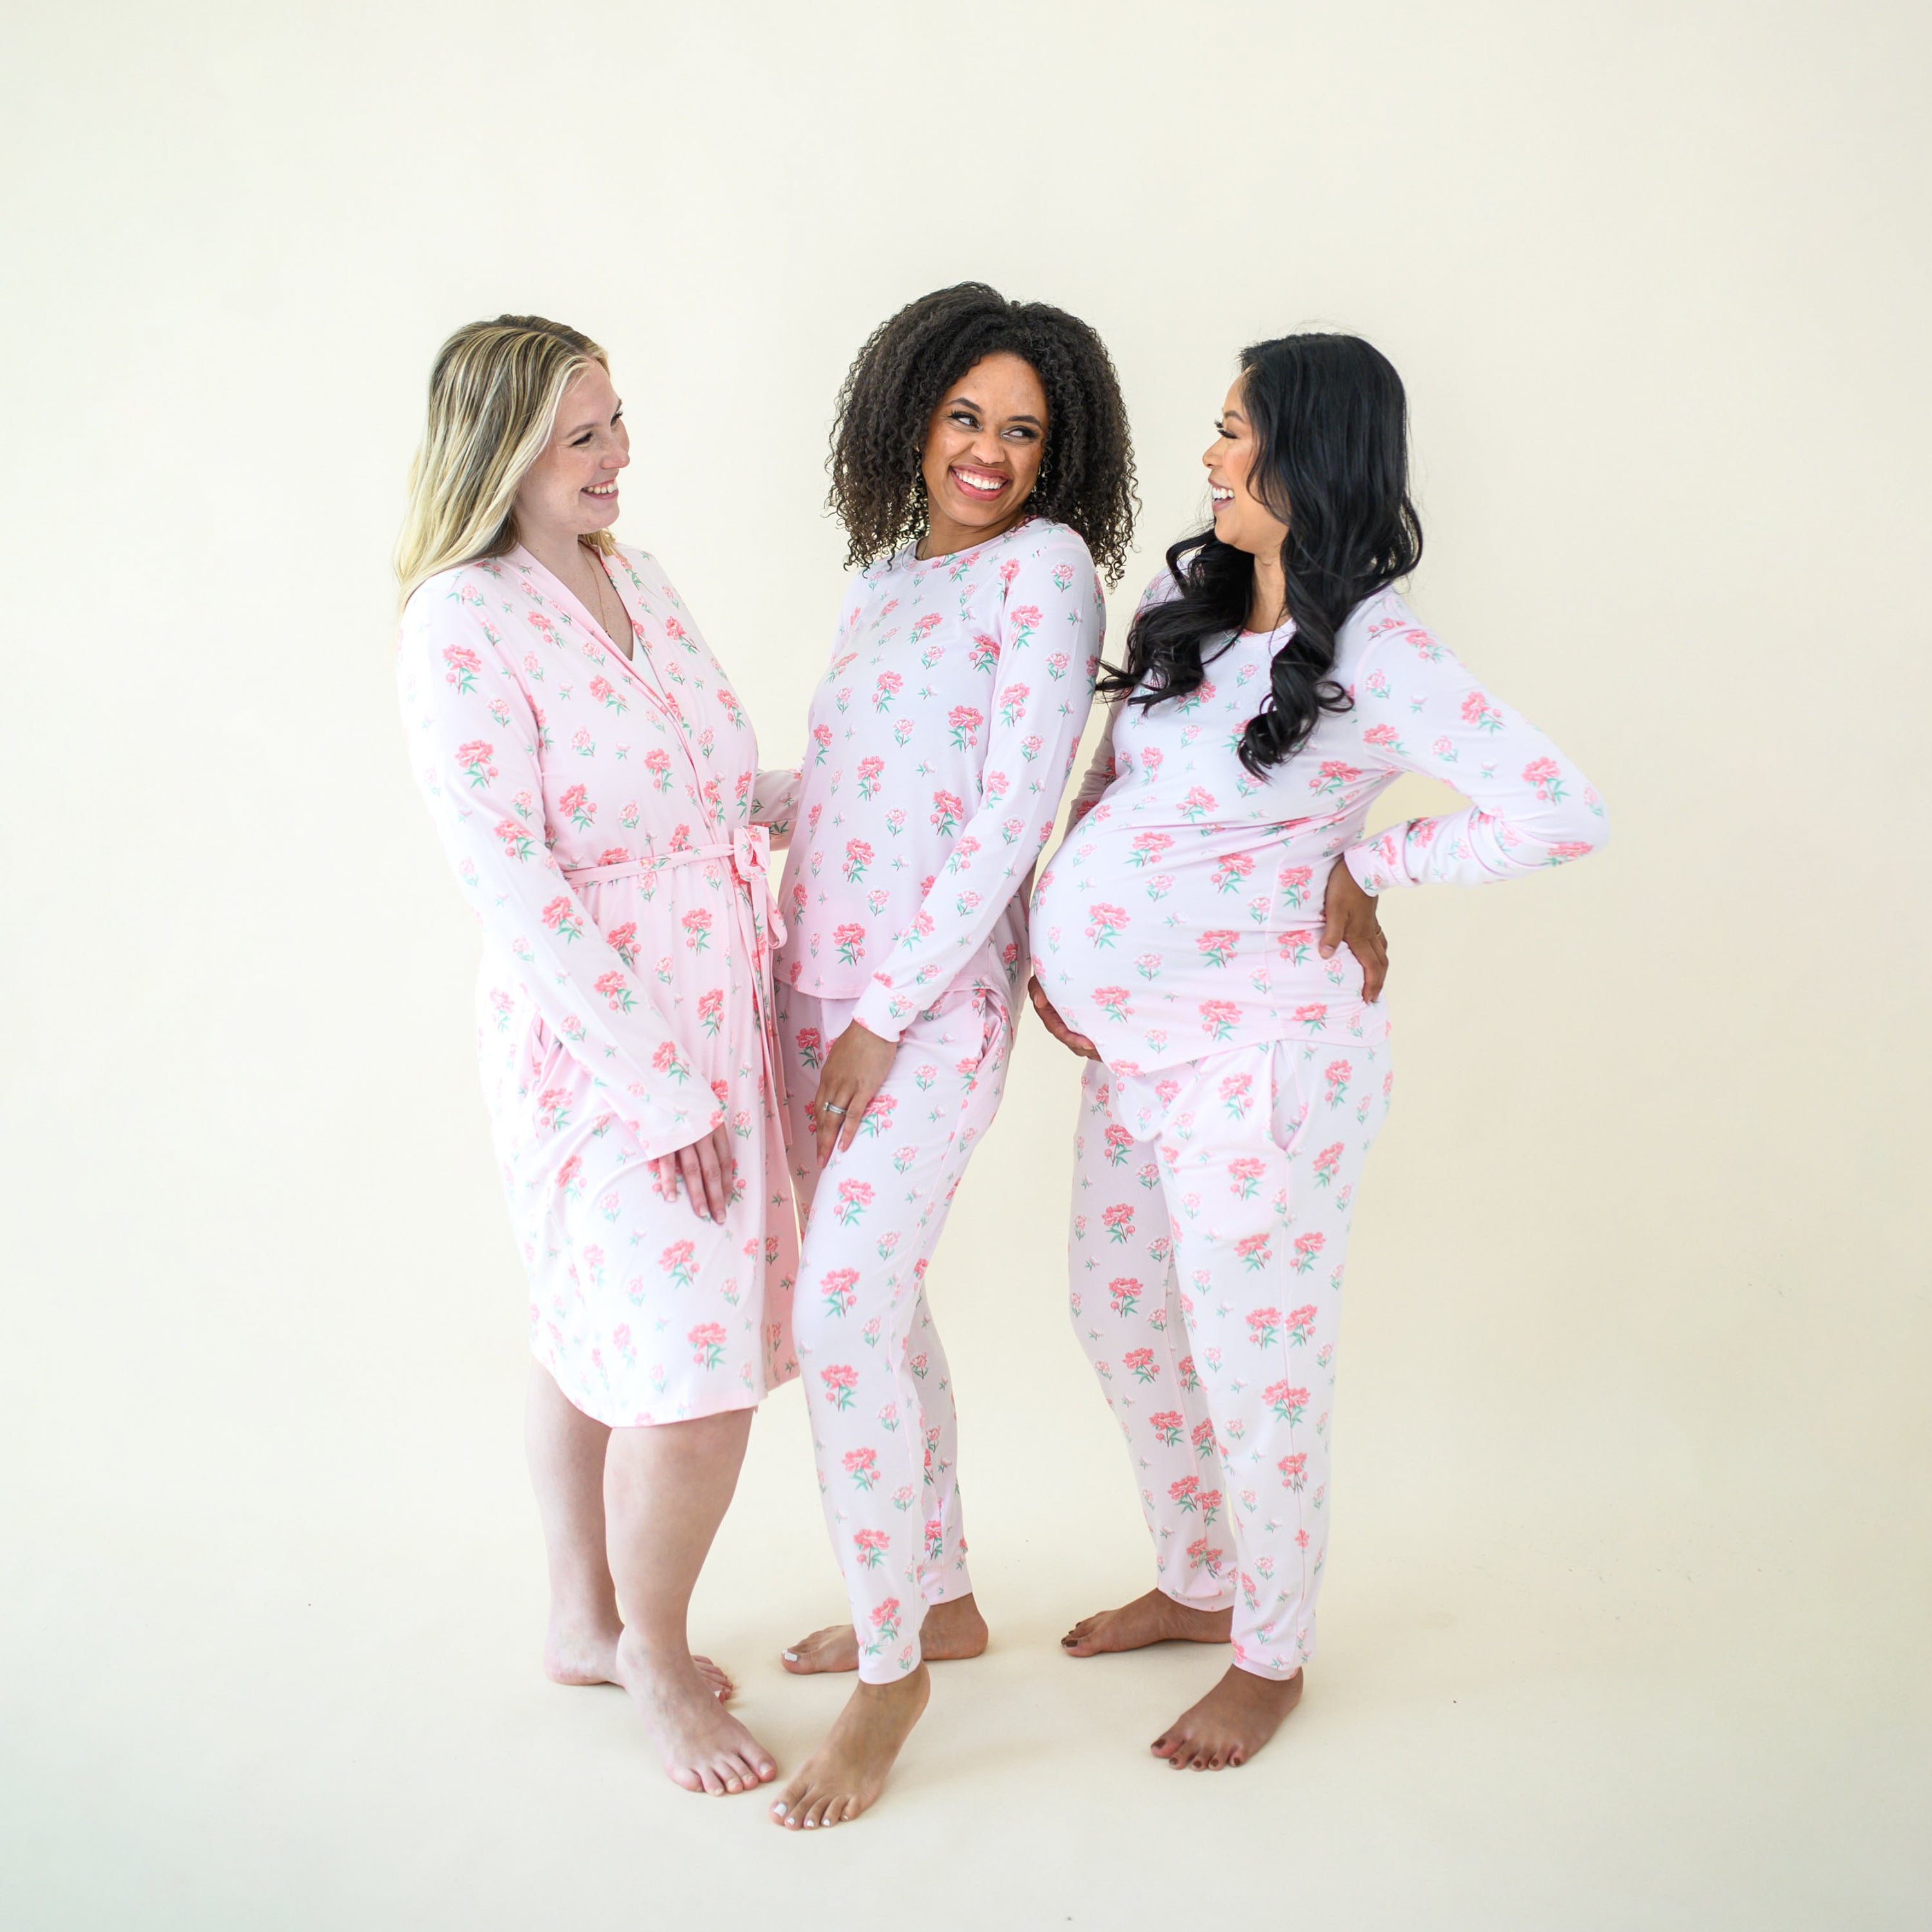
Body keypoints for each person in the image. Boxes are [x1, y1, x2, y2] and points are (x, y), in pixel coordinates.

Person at [1029, 332, 1607, 1770]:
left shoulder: (1385, 652)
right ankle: (1195, 1574)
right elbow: (1121, 774)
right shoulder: (1189, 592)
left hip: (1266, 1063)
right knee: (1115, 1311)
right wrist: (1065, 924)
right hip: (1138, 1047)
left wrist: (1381, 865)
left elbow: (1557, 807)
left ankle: (1269, 1654)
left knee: (1256, 1361)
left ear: (1307, 454)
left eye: (1234, 431)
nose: (1212, 455)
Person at [394, 315, 800, 1798]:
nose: (619, 455)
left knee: (588, 1326)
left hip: (720, 1005)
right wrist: (658, 1084)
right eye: (584, 436)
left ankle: (580, 1614)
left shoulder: (642, 577)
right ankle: (652, 1649)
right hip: (603, 1044)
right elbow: (513, 878)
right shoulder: (460, 622)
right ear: (501, 449)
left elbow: (703, 788)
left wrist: (827, 795)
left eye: (620, 422)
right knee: (686, 1380)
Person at [762, 283, 1137, 1828]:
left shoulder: (1046, 576)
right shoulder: (882, 575)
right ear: (912, 415)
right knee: (881, 1306)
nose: (988, 450)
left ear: (1060, 460)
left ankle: (895, 1671)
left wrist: (882, 1016)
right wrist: (717, 789)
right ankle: (942, 1594)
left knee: (837, 1313)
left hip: (918, 1014)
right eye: (966, 416)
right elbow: (854, 786)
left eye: (1023, 432)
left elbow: (1002, 823)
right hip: (808, 995)